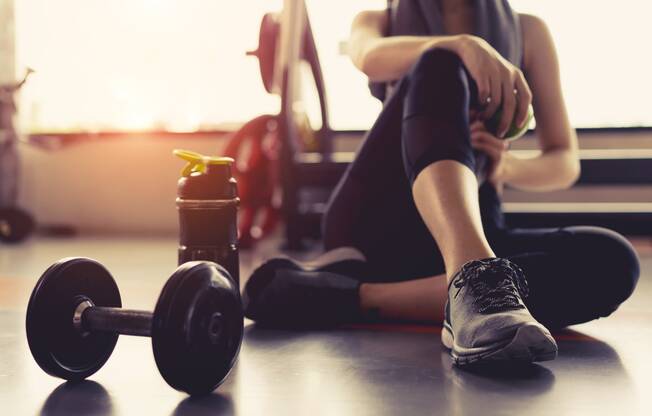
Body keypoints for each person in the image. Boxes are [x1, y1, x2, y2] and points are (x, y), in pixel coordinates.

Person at [242, 0, 640, 365]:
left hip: (476, 222)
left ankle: (352, 296)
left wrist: (506, 168)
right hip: (377, 223)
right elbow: (368, 57)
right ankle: (475, 274)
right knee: (439, 61)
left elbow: (564, 161)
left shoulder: (529, 31)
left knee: (613, 261)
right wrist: (463, 45)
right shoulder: (378, 20)